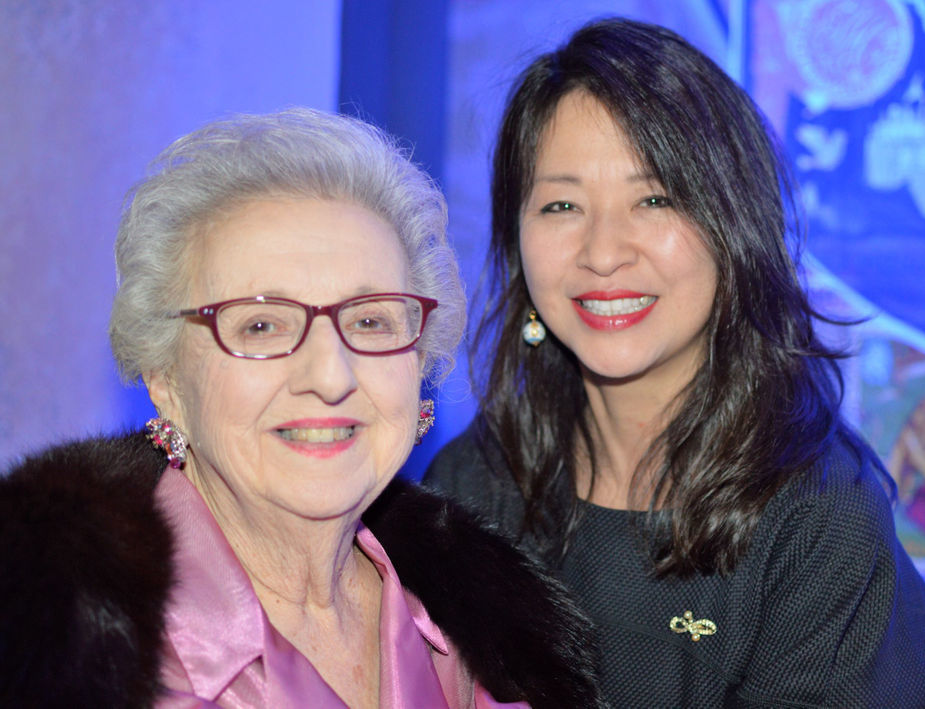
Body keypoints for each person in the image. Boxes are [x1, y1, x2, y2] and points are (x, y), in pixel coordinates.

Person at [425, 18, 925, 708]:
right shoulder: (470, 488)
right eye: (561, 204)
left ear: (733, 224)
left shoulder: (818, 521)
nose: (603, 253)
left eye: (654, 199)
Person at [0, 109, 603, 708]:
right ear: (166, 380)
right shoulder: (66, 654)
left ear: (419, 364)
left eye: (369, 321)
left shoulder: (482, 637)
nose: (330, 376)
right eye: (261, 325)